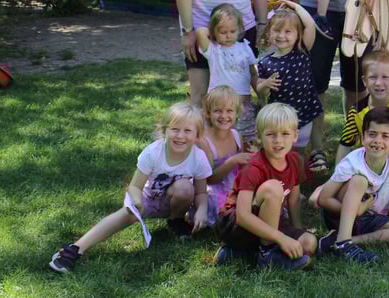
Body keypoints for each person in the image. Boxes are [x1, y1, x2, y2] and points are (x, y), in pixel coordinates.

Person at [48, 103, 212, 274]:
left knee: (185, 188)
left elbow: (200, 192)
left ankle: (176, 220)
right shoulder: (153, 152)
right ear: (165, 130)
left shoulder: (198, 157)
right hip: (146, 198)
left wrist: (202, 209)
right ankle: (74, 249)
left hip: (171, 201)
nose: (180, 136)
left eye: (187, 131)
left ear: (197, 135)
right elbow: (135, 186)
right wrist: (137, 201)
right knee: (127, 214)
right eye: (175, 129)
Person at [214, 103, 318, 270]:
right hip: (236, 226)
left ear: (295, 135)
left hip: (270, 221)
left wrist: (295, 233)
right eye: (271, 134)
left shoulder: (295, 161)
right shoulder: (253, 167)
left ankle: (241, 254)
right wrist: (281, 238)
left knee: (309, 243)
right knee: (273, 188)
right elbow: (242, 216)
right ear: (259, 136)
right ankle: (267, 255)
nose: (278, 140)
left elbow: (293, 201)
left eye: (285, 134)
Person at [316, 107, 389, 263]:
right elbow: (324, 199)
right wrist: (358, 210)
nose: (377, 141)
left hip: (370, 218)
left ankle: (346, 241)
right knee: (359, 180)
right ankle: (343, 242)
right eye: (372, 134)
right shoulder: (352, 162)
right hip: (339, 215)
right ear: (363, 137)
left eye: (385, 136)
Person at [256, 1, 327, 174]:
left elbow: (310, 24)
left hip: (304, 111)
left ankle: (298, 178)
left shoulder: (302, 51)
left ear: (297, 35)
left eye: (288, 31)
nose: (282, 36)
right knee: (282, 151)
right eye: (277, 31)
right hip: (282, 118)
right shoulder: (266, 62)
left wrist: (293, 5)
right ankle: (282, 176)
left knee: (299, 151)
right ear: (269, 33)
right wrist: (265, 84)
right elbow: (260, 91)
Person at [335, 50, 389, 165]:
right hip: (367, 164)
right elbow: (345, 144)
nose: (378, 83)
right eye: (373, 77)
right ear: (364, 81)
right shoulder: (357, 111)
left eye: (385, 77)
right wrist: (338, 174)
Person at [195, 3, 260, 143]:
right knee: (218, 137)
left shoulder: (245, 47)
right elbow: (200, 32)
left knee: (245, 138)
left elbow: (253, 74)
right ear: (214, 32)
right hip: (219, 107)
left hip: (242, 105)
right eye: (223, 32)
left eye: (232, 31)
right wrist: (211, 32)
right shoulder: (213, 50)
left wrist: (260, 93)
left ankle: (243, 161)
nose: (228, 36)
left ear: (239, 30)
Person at [199, 86, 252, 227]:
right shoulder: (204, 141)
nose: (224, 116)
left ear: (237, 113)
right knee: (218, 204)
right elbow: (209, 178)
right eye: (217, 111)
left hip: (234, 184)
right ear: (208, 113)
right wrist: (232, 161)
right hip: (213, 188)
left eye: (229, 111)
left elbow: (241, 168)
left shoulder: (236, 136)